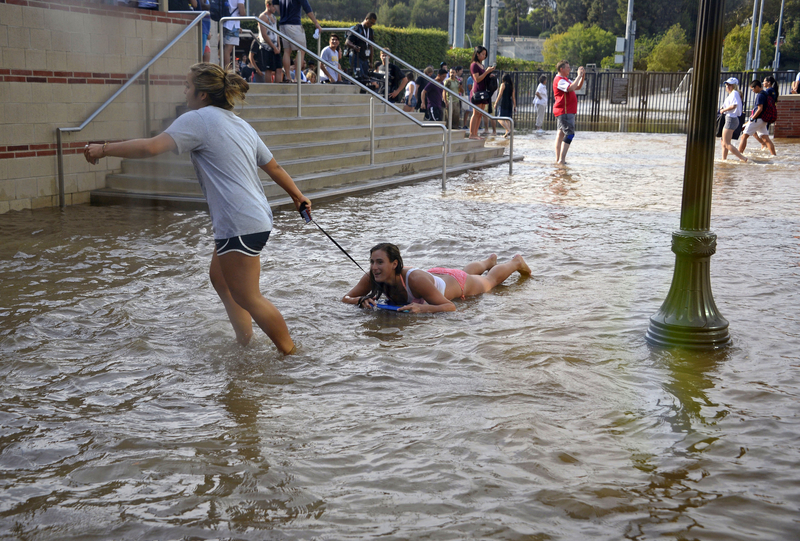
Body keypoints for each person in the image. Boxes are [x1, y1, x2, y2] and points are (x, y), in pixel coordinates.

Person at [83, 63, 311, 354]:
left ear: (203, 95)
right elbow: (273, 166)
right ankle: (246, 341)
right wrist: (298, 196)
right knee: (220, 278)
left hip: (239, 221)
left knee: (249, 296)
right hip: (253, 217)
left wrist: (103, 149)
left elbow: (151, 148)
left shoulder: (198, 119)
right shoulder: (238, 122)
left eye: (188, 85)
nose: (184, 90)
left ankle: (290, 354)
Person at [342, 243, 532, 313]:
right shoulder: (371, 277)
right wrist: (361, 300)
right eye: (372, 262)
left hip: (457, 282)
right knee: (466, 271)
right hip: (435, 275)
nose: (374, 267)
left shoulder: (414, 280)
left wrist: (423, 308)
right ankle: (488, 260)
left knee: (489, 282)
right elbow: (345, 298)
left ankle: (516, 262)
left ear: (394, 264)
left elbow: (450, 306)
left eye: (380, 262)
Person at [276, 0, 322, 83]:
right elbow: (306, 7)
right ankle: (297, 78)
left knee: (287, 51)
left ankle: (288, 77)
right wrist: (316, 23)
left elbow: (275, 4)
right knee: (301, 50)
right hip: (294, 24)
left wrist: (284, 15)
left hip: (283, 24)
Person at [553, 59, 585, 164]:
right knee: (570, 134)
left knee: (561, 134)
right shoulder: (559, 80)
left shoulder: (565, 79)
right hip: (565, 112)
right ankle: (561, 160)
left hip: (566, 111)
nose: (569, 69)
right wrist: (579, 76)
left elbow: (578, 86)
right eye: (568, 67)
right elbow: (570, 88)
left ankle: (559, 159)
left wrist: (582, 76)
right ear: (561, 69)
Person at [738, 79, 776, 156]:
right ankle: (774, 156)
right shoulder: (765, 93)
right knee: (766, 139)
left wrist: (752, 118)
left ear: (757, 87)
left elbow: (759, 109)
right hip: (763, 120)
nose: (752, 90)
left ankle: (739, 156)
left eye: (752, 88)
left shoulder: (760, 95)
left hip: (757, 119)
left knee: (743, 137)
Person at [717, 77, 747, 162]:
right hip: (730, 118)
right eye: (727, 84)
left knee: (726, 143)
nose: (727, 86)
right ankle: (724, 159)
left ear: (734, 85)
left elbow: (734, 106)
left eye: (730, 85)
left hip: (731, 119)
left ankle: (743, 158)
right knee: (723, 142)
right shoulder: (733, 94)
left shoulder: (734, 93)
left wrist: (723, 110)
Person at [469, 46, 496, 140]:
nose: (484, 56)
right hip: (477, 91)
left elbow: (483, 77)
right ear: (477, 54)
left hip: (483, 90)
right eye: (482, 54)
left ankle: (475, 133)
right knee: (476, 113)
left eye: (485, 54)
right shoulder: (474, 65)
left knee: (480, 114)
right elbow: (477, 79)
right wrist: (486, 72)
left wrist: (489, 75)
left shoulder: (481, 65)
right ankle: (472, 134)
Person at [251, 0, 281, 83]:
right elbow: (264, 34)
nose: (275, 8)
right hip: (267, 47)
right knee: (269, 70)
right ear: (268, 5)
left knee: (279, 69)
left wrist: (279, 46)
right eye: (273, 6)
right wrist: (274, 47)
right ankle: (270, 88)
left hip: (275, 46)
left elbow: (276, 32)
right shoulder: (263, 17)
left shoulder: (274, 17)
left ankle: (278, 89)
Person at [345, 12, 376, 79]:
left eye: (373, 23)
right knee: (360, 78)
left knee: (366, 78)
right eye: (370, 22)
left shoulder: (370, 31)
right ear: (366, 19)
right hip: (356, 56)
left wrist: (371, 62)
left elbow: (371, 47)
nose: (371, 24)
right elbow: (347, 42)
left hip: (365, 59)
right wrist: (354, 47)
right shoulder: (357, 28)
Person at [494, 73, 516, 138]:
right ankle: (507, 133)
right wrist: (515, 106)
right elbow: (513, 97)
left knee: (499, 118)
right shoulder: (512, 86)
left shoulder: (503, 85)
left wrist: (496, 102)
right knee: (507, 119)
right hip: (509, 103)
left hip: (504, 102)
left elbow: (500, 94)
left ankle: (508, 130)